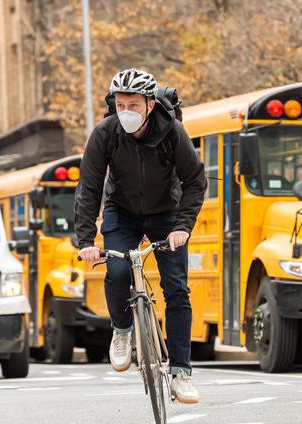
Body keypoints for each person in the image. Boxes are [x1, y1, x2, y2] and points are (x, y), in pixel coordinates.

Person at [75, 68, 207, 404]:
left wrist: (183, 227)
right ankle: (122, 330)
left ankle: (181, 373)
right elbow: (89, 187)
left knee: (176, 289)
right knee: (117, 270)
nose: (126, 112)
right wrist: (87, 240)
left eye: (133, 104)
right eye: (120, 104)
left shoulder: (172, 132)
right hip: (122, 213)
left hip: (167, 214)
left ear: (150, 104)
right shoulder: (105, 133)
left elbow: (195, 181)